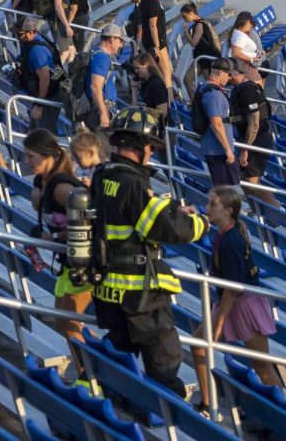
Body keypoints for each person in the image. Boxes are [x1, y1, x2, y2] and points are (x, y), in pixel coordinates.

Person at [90, 108, 208, 397]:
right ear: (141, 147)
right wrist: (200, 222)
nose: (151, 155)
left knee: (121, 355)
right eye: (150, 149)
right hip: (139, 291)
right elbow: (166, 228)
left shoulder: (102, 175)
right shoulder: (133, 184)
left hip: (108, 287)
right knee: (164, 359)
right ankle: (170, 418)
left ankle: (121, 408)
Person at [191, 186, 279, 413]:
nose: (207, 208)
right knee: (198, 345)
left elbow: (232, 289)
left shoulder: (231, 241)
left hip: (244, 306)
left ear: (228, 211)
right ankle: (208, 403)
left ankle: (284, 412)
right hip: (230, 302)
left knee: (263, 366)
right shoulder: (225, 235)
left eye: (213, 204)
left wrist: (219, 321)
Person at [25, 129, 94, 380]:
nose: (27, 161)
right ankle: (92, 369)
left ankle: (95, 372)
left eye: (31, 156)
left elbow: (88, 222)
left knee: (69, 323)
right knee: (62, 322)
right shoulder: (40, 183)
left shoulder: (63, 187)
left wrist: (52, 238)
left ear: (48, 156)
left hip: (86, 261)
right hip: (67, 261)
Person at [227, 61, 279, 212]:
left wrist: (245, 149)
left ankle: (278, 212)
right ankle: (256, 210)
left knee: (251, 181)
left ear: (236, 74)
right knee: (243, 181)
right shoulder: (238, 90)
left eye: (229, 74)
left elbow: (254, 123)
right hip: (250, 140)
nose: (226, 78)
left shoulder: (248, 91)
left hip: (258, 140)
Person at [194, 58, 239, 187]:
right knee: (227, 191)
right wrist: (228, 150)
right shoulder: (215, 95)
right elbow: (216, 124)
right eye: (228, 74)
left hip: (212, 148)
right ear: (220, 72)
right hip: (219, 151)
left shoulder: (203, 88)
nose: (229, 78)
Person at [16, 16, 63, 132]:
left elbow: (45, 79)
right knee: (33, 133)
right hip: (47, 93)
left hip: (49, 96)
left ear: (31, 33)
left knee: (43, 136)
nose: (17, 37)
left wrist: (40, 104)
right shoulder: (37, 40)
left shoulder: (37, 51)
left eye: (20, 34)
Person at [86, 24, 126, 131]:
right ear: (112, 39)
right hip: (99, 111)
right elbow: (95, 86)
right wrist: (103, 113)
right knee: (104, 146)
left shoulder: (94, 52)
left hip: (96, 108)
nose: (121, 45)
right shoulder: (102, 58)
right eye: (121, 40)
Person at [136, 0, 172, 89]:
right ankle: (168, 101)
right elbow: (152, 25)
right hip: (157, 42)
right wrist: (157, 45)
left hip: (149, 41)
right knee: (166, 74)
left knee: (158, 74)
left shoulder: (146, 1)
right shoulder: (152, 1)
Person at [180, 2, 222, 87]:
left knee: (211, 84)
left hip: (207, 58)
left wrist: (185, 31)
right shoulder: (201, 23)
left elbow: (193, 43)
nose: (184, 19)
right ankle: (195, 100)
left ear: (191, 13)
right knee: (187, 80)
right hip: (202, 58)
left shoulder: (200, 24)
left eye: (185, 17)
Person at [132, 51, 169, 132]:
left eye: (138, 68)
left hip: (156, 131)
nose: (135, 71)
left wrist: (143, 112)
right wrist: (134, 88)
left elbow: (162, 113)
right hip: (145, 127)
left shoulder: (157, 85)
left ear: (147, 65)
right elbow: (135, 107)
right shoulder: (145, 83)